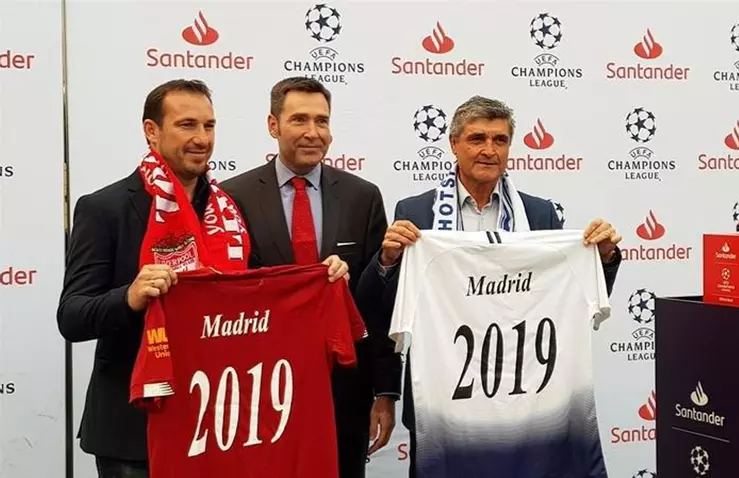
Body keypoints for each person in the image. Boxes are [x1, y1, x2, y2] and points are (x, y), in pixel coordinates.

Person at [355, 95, 624, 477]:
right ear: (454, 144)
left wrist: (605, 257)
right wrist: (387, 260)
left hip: (529, 401)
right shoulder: (416, 213)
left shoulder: (540, 214)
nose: (489, 150)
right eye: (477, 138)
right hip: (443, 404)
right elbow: (377, 305)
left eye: (500, 140)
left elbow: (574, 297)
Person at [57, 79, 288, 477]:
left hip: (217, 422)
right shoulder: (104, 208)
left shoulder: (229, 212)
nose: (202, 138)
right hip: (134, 433)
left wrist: (322, 276)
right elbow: (72, 316)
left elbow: (258, 292)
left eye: (209, 125)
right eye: (186, 125)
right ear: (152, 131)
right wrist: (130, 297)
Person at [220, 76, 400, 478]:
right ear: (273, 125)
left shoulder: (362, 196)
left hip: (345, 392)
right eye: (299, 119)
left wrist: (385, 391)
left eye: (322, 120)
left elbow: (378, 305)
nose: (313, 132)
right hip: (260, 391)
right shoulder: (233, 196)